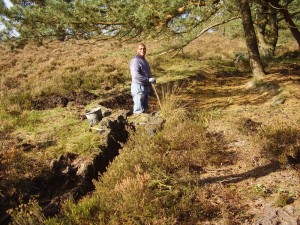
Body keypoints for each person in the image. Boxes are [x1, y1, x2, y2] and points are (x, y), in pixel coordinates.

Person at [130, 43, 156, 114]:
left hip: (145, 88)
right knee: (139, 111)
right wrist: (148, 80)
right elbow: (136, 75)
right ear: (137, 50)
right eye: (140, 49)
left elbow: (147, 74)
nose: (142, 50)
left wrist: (150, 87)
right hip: (138, 87)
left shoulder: (144, 61)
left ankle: (143, 125)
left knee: (144, 110)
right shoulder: (135, 61)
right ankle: (138, 125)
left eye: (144, 49)